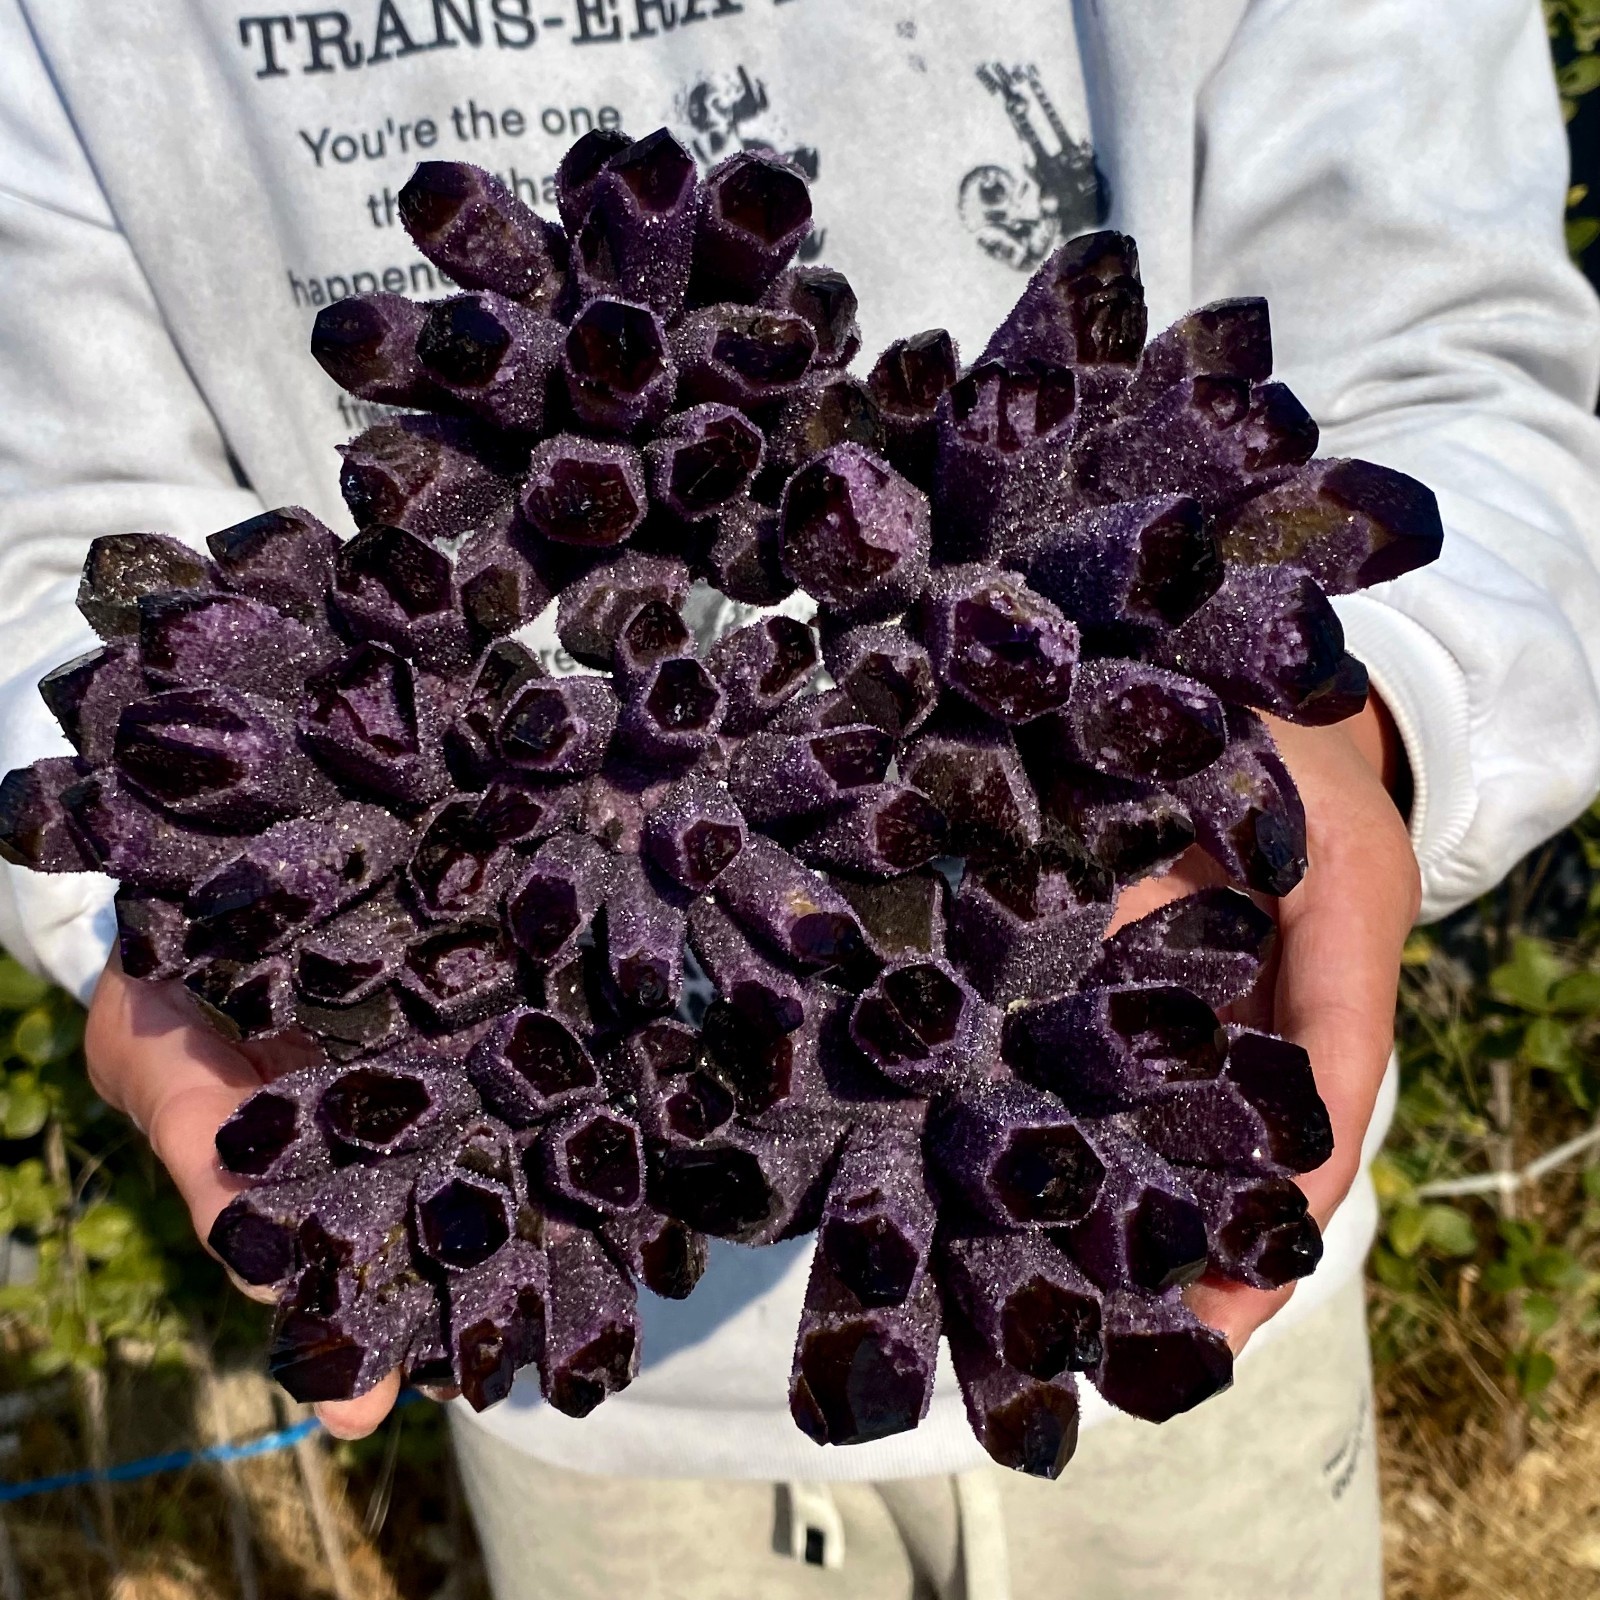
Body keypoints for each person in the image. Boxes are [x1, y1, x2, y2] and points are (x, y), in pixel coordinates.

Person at [2, 1, 1597, 1594]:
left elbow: (1466, 362)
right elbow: (47, 539)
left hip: (1182, 1228)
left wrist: (1371, 700)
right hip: (601, 1407)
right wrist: (144, 912)